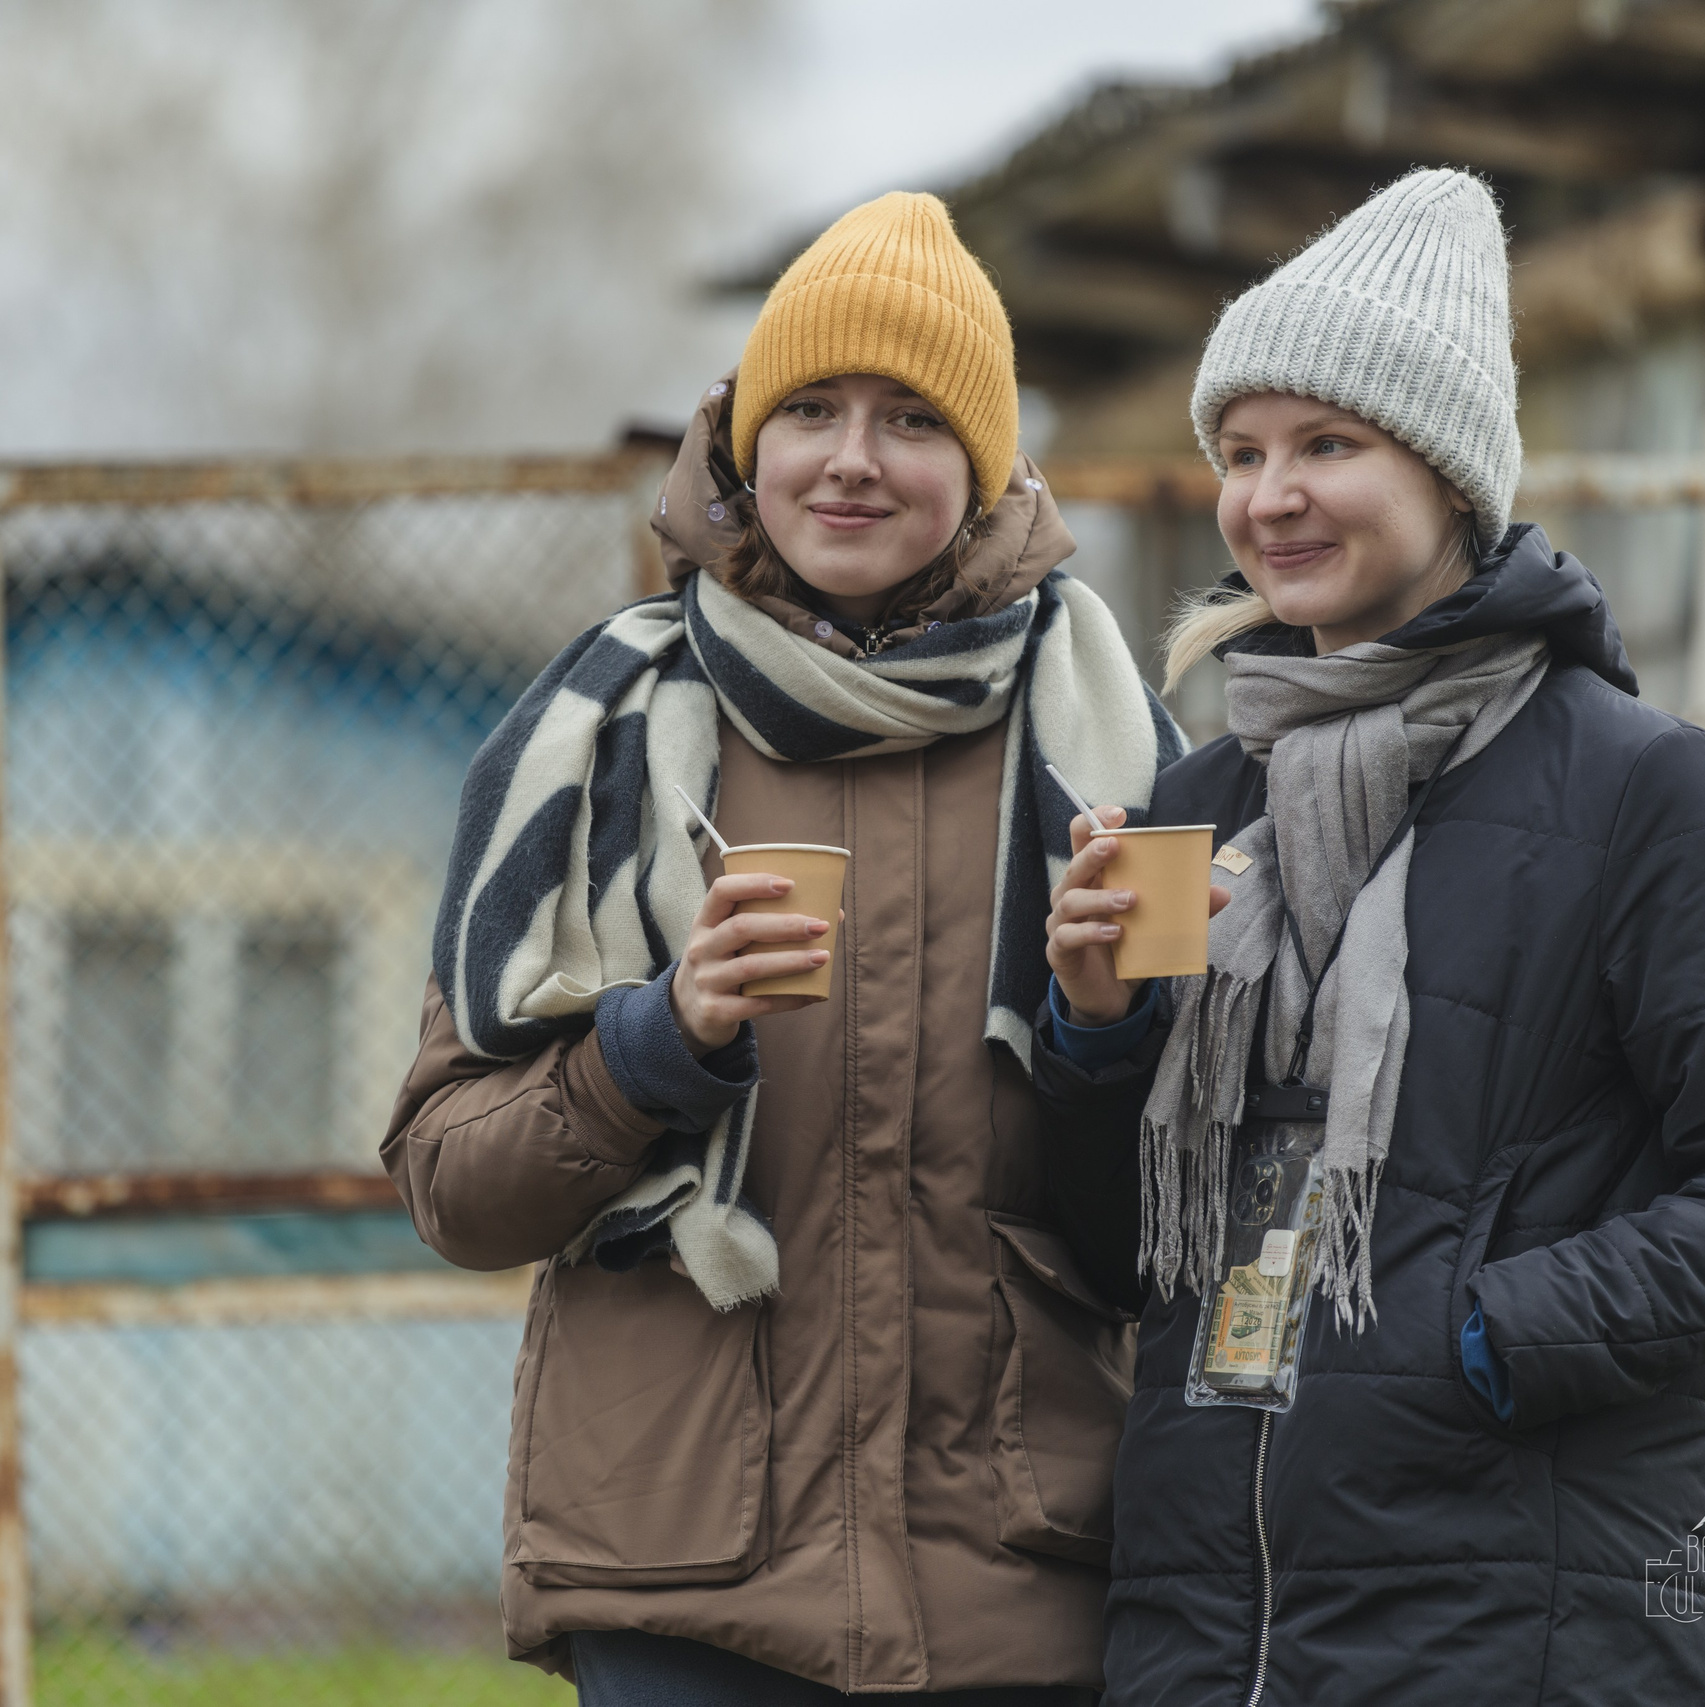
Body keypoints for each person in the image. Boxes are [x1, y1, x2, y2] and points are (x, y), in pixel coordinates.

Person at [1033, 169, 1705, 1707]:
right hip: (1209, 1643)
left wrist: (1480, 1336)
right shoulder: (1198, 803)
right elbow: (1119, 1259)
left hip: (1514, 1640)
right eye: (1241, 454)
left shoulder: (1634, 785)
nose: (1269, 497)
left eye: (1326, 445)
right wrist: (1096, 1028)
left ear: (1447, 469)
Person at [386, 190, 1186, 1703]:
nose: (852, 459)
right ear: (747, 443)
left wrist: (1101, 1033)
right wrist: (653, 1044)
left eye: (913, 419)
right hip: (686, 1587)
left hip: (1015, 1592)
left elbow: (1175, 1233)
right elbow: (452, 1185)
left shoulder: (1119, 755)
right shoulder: (600, 740)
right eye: (811, 409)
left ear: (986, 464)